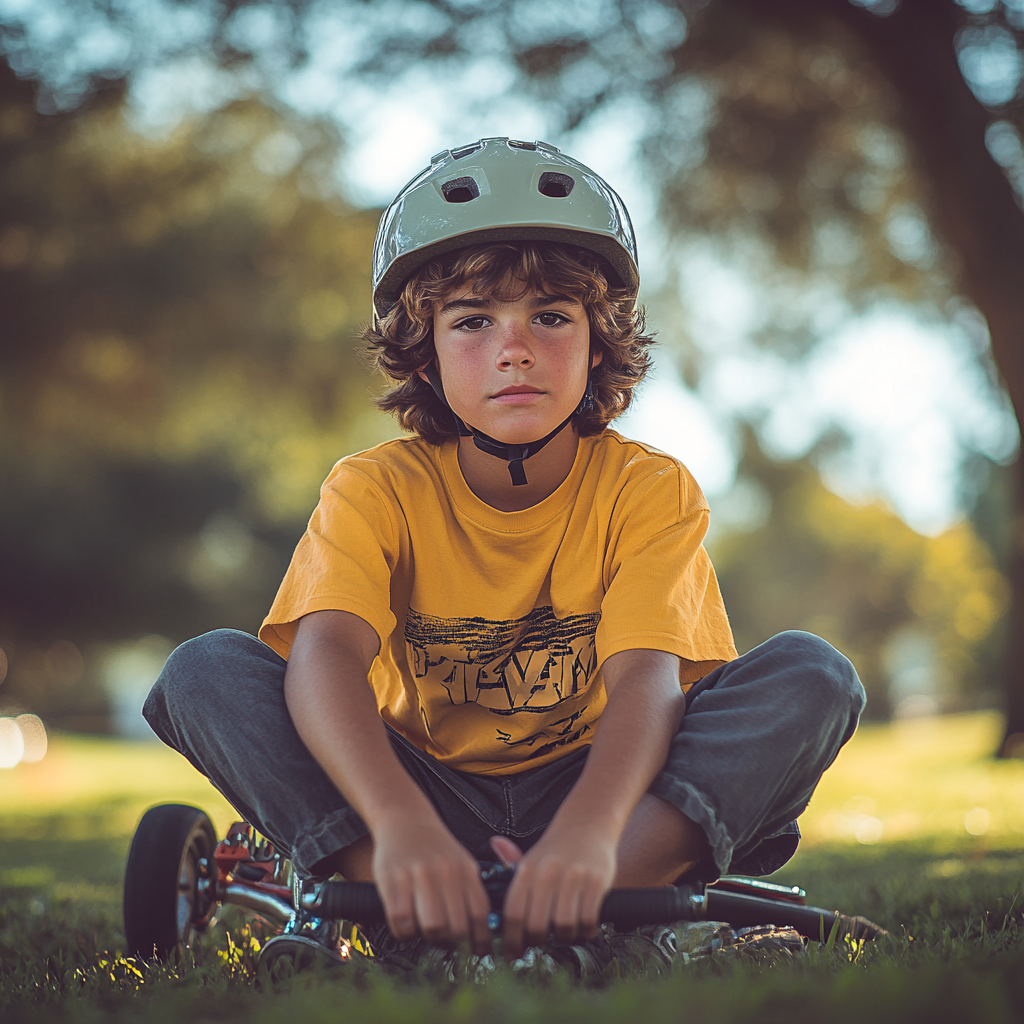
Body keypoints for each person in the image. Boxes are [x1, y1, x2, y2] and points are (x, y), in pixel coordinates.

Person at [144, 137, 865, 972]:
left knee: (813, 674)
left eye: (550, 316)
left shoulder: (648, 488)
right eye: (473, 321)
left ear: (599, 342)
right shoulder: (374, 488)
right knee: (204, 671)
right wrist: (402, 827)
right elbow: (326, 658)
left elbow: (644, 680)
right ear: (425, 351)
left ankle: (590, 906)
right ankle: (408, 903)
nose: (513, 349)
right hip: (419, 793)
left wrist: (592, 836)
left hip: (602, 791)